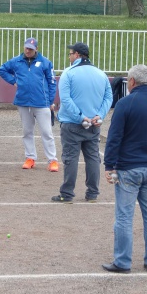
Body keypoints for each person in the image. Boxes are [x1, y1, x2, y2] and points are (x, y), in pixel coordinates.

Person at [102, 65, 147, 273]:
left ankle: (122, 261)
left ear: (132, 81)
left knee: (124, 216)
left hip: (128, 167)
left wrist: (109, 165)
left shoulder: (125, 104)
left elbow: (114, 137)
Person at [52, 42, 112, 203]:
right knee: (93, 158)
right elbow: (108, 97)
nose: (69, 57)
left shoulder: (68, 73)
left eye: (70, 54)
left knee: (70, 158)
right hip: (94, 123)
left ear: (77, 55)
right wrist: (99, 115)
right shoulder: (101, 74)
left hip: (72, 123)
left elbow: (65, 99)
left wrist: (80, 116)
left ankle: (67, 193)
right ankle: (92, 193)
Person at [0, 38, 58, 171]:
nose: (28, 50)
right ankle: (30, 157)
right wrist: (13, 81)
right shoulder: (16, 61)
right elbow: (2, 70)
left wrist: (50, 101)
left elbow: (52, 82)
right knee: (27, 131)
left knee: (47, 132)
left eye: (31, 49)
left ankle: (52, 160)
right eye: (26, 48)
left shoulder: (45, 62)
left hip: (42, 103)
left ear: (36, 49)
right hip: (23, 101)